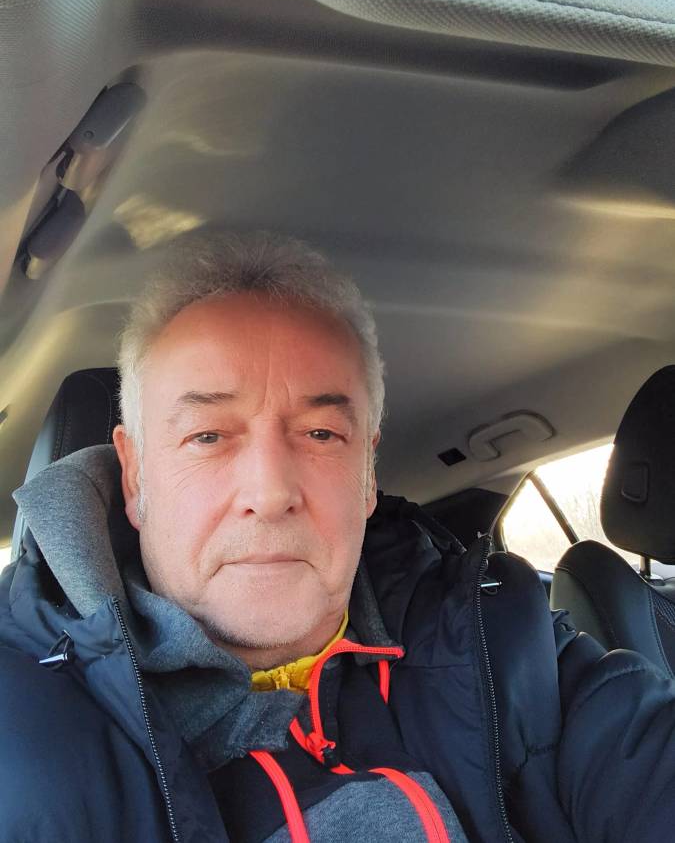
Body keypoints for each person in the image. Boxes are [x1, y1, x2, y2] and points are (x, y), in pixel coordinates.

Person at [1, 231, 674, 843]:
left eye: (321, 434)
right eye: (207, 436)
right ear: (136, 477)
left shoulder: (507, 643)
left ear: (367, 476)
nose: (270, 491)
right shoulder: (23, 717)